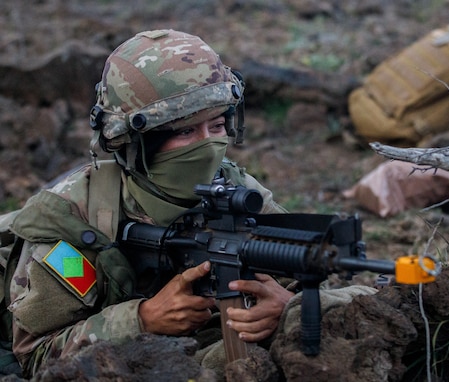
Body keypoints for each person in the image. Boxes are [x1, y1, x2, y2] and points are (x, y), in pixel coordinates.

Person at [6, 29, 295, 378]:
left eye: (217, 125)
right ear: (134, 143)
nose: (207, 146)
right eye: (185, 132)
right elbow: (38, 357)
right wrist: (141, 320)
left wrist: (288, 307)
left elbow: (303, 276)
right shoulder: (71, 221)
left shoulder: (237, 193)